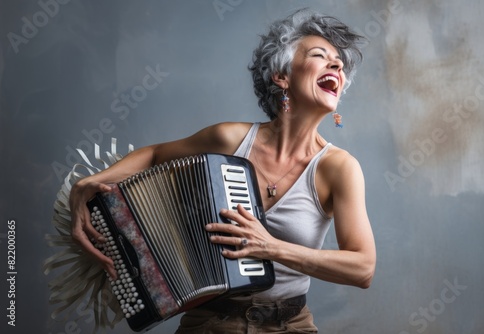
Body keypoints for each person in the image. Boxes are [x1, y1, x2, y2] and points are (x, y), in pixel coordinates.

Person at [69, 8, 376, 334]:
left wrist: (270, 247)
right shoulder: (230, 139)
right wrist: (89, 182)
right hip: (209, 322)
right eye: (319, 55)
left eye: (340, 63)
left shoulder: (339, 168)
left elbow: (363, 268)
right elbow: (156, 154)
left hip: (290, 325)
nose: (337, 65)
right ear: (281, 76)